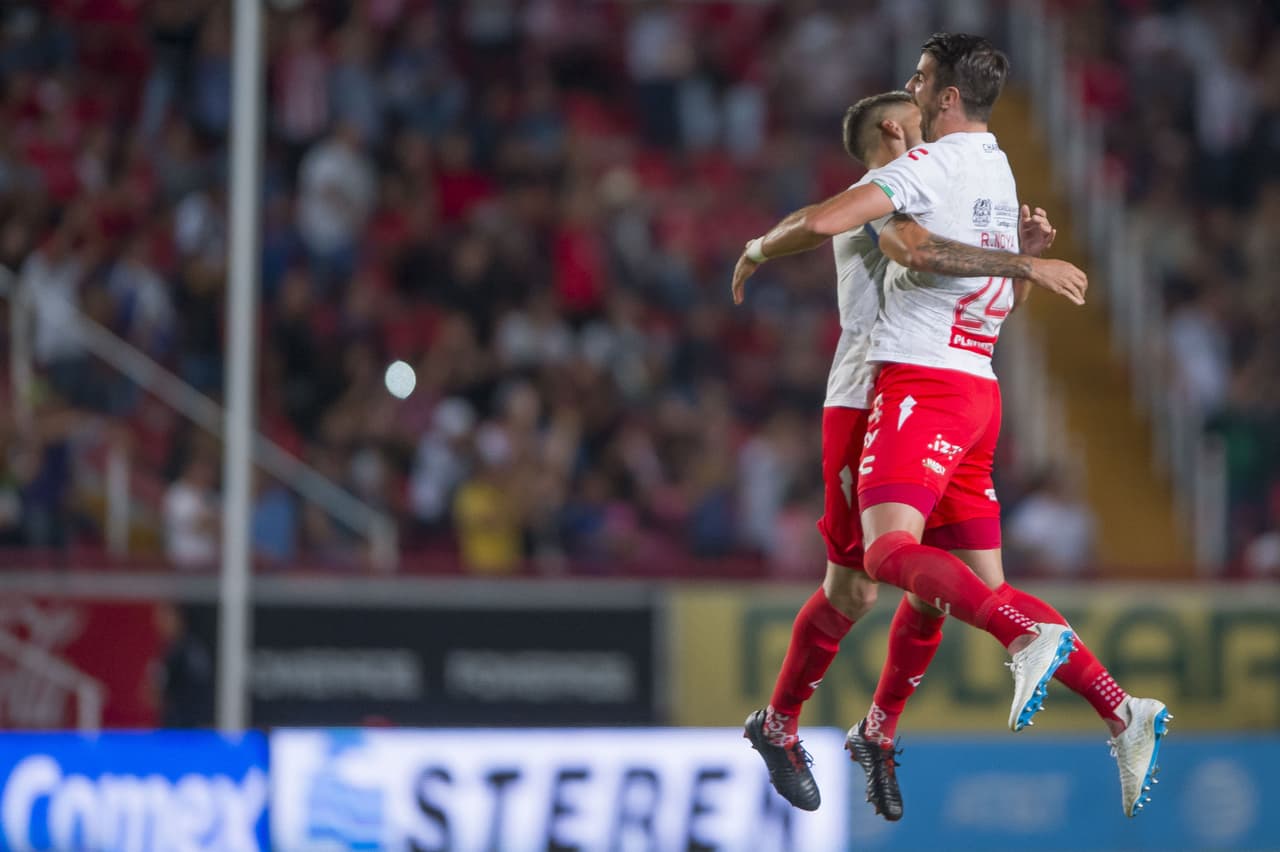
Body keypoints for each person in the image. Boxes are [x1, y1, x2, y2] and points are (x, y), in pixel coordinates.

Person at [735, 34, 1168, 822]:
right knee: (858, 584)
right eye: (906, 112)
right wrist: (1019, 262)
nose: (915, 112)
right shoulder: (894, 193)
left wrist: (1019, 258)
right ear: (893, 138)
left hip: (939, 387)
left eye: (920, 90)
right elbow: (917, 248)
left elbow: (972, 287)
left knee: (929, 589)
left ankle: (880, 729)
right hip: (868, 394)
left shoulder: (967, 177)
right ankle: (781, 723)